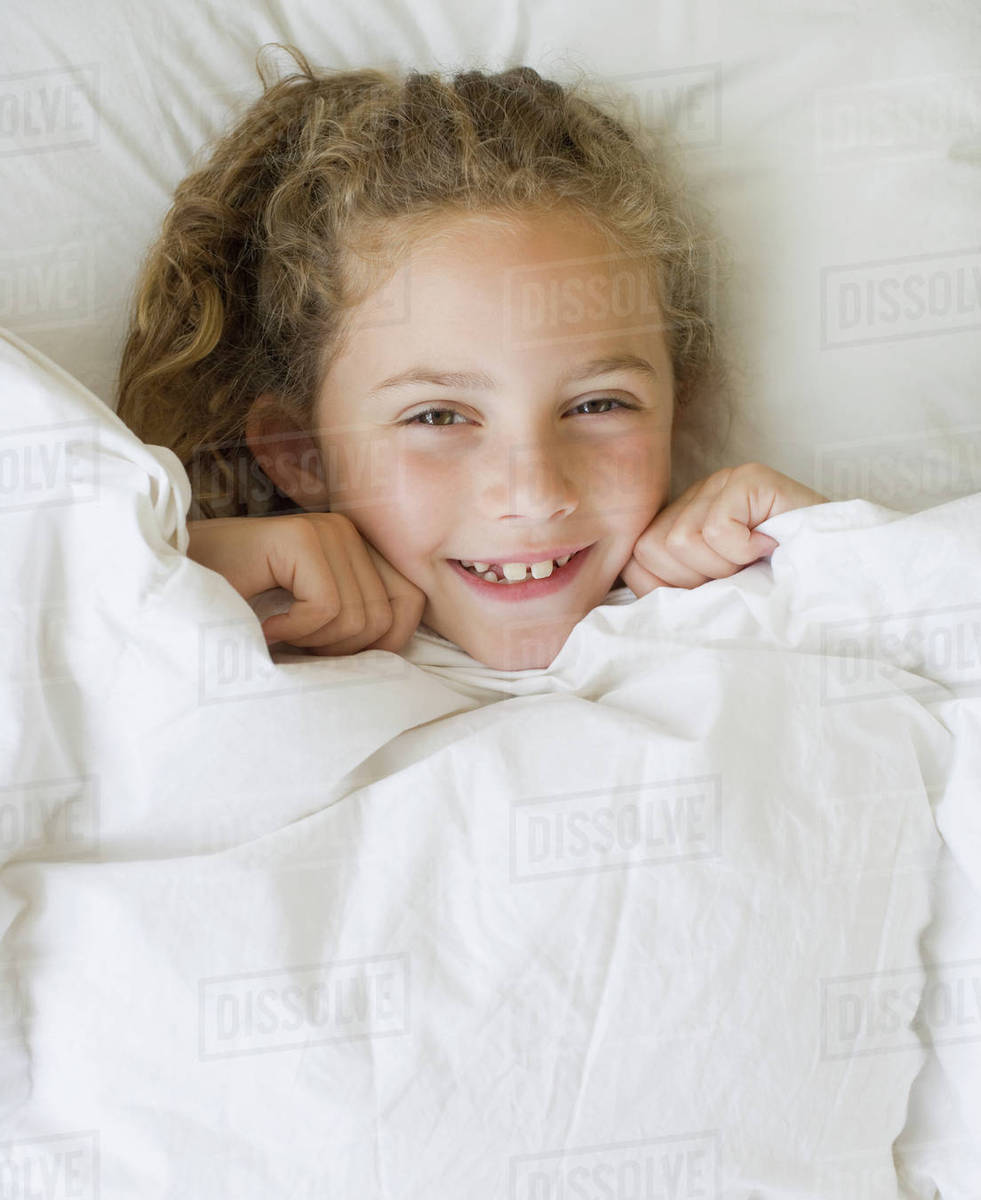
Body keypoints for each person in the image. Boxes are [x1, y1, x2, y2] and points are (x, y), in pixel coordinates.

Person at [115, 45, 826, 671]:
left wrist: (829, 552)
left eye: (597, 404)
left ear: (678, 402)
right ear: (301, 453)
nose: (534, 491)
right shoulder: (221, 634)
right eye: (437, 416)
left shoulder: (772, 599)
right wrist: (171, 571)